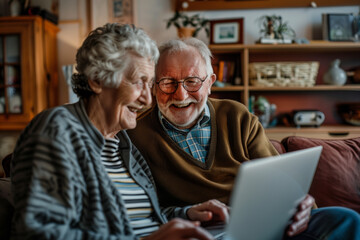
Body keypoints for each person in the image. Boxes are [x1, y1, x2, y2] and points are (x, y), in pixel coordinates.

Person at [10, 24, 229, 240]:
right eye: (138, 82)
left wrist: (188, 213)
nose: (147, 99)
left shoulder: (121, 143)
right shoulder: (56, 130)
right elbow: (37, 232)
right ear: (97, 80)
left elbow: (146, 219)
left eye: (149, 84)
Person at [127, 37, 360, 239]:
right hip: (201, 230)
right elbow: (140, 213)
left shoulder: (237, 116)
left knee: (345, 219)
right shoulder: (134, 134)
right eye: (168, 82)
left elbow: (280, 181)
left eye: (192, 81)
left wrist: (302, 205)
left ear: (210, 83)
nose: (180, 94)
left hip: (264, 222)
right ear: (154, 86)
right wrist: (188, 212)